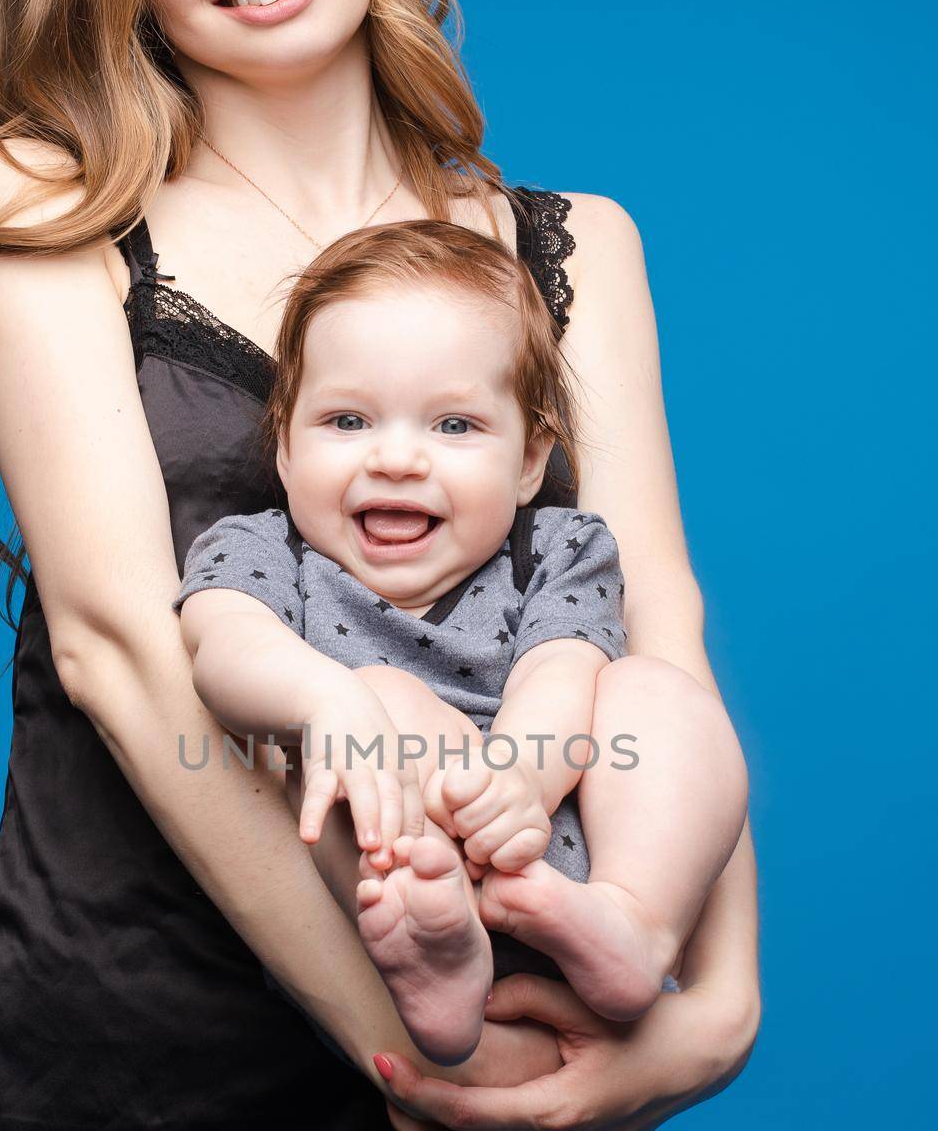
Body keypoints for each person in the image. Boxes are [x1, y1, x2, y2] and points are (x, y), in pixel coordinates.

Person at [0, 0, 761, 1131]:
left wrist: (711, 1015)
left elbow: (654, 635)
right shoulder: (41, 198)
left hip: (517, 1083)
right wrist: (434, 1055)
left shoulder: (571, 246)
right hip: (150, 1107)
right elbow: (126, 655)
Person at [175, 217, 748, 1065]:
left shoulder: (557, 548)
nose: (398, 458)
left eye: (453, 427)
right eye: (345, 421)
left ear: (528, 462)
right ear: (285, 451)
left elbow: (565, 667)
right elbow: (222, 648)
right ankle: (438, 962)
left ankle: (633, 920)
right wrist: (330, 699)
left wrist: (519, 773)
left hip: (558, 848)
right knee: (356, 715)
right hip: (400, 865)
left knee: (658, 694)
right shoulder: (257, 551)